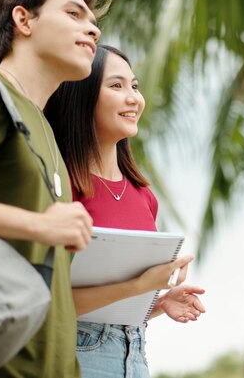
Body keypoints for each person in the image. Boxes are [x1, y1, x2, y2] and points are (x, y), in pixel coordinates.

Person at [44, 45, 205, 378]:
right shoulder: (62, 186)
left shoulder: (144, 196)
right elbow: (50, 302)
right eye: (116, 86)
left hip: (134, 353)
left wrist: (159, 302)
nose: (134, 98)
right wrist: (139, 286)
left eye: (134, 85)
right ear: (82, 96)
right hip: (75, 354)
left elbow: (116, 303)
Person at [0, 0, 105, 377]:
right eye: (74, 14)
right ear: (23, 19)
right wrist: (37, 226)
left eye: (94, 22)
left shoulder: (46, 130)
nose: (93, 30)